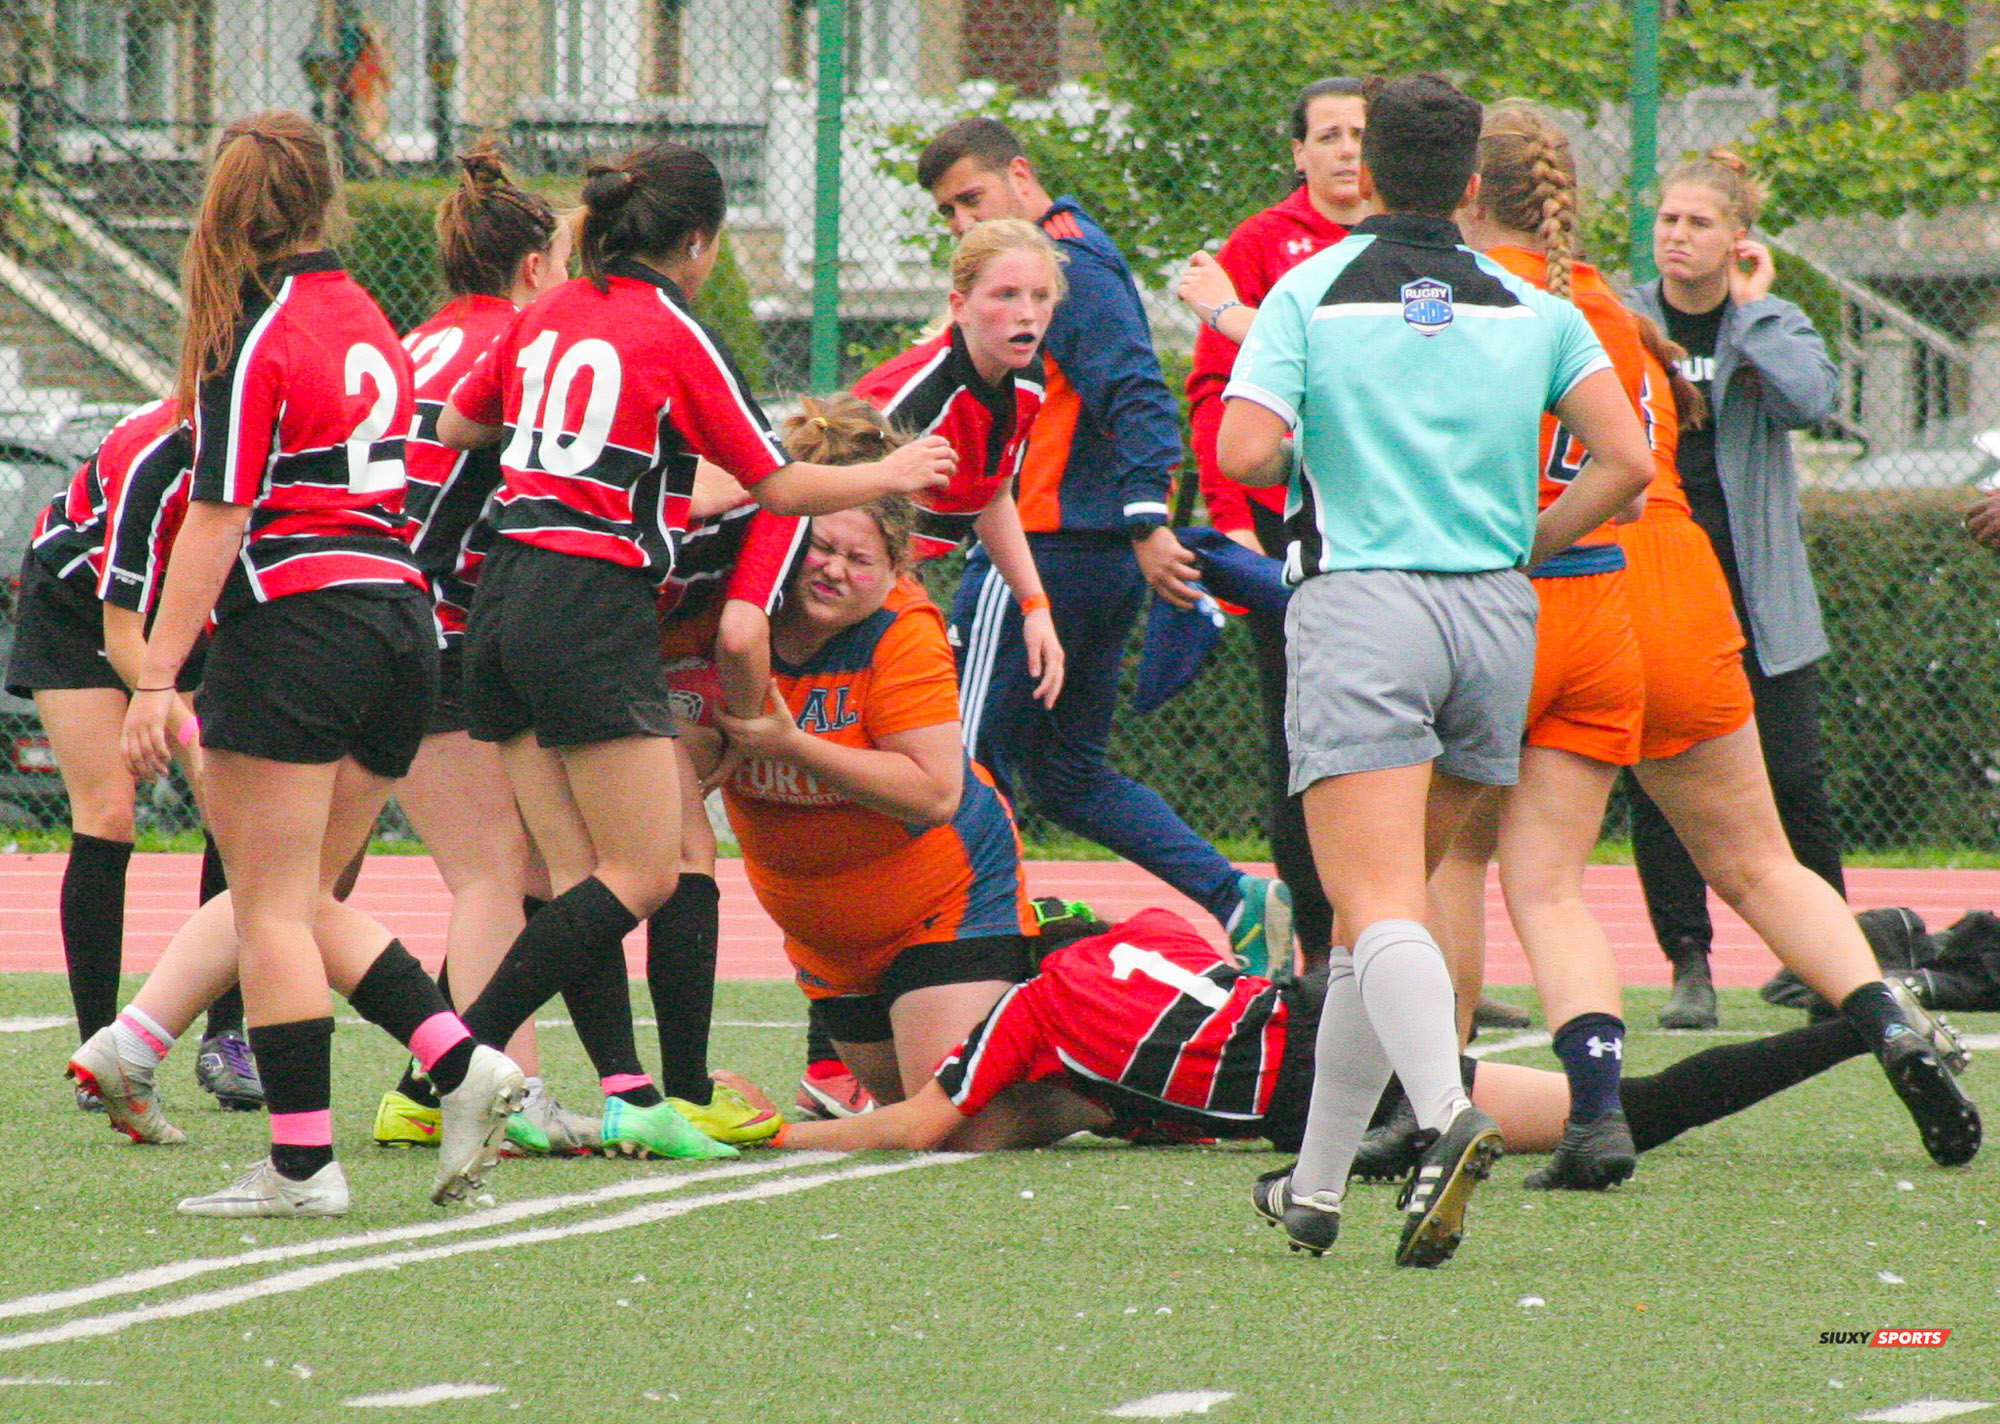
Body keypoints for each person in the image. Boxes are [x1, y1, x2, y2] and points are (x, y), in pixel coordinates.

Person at [436, 144, 953, 1160]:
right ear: (698, 243)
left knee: (577, 871)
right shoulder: (671, 327)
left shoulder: (548, 311)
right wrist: (886, 468)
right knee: (643, 873)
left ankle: (623, 1091)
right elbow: (777, 487)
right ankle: (451, 1061)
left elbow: (460, 420)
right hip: (585, 606)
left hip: (497, 596)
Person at [1214, 74, 1654, 1265]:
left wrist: (1327, 430)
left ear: (1364, 174)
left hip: (1365, 606)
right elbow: (1627, 459)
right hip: (1495, 620)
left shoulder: (1304, 290)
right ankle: (1310, 1185)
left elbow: (1242, 447)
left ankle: (1446, 1111)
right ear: (1467, 182)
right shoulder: (1532, 305)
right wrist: (1531, 536)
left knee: (1373, 900)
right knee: (1379, 917)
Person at [83, 110, 525, 1218]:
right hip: (401, 623)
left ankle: (299, 1164)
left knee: (269, 906)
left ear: (226, 203)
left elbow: (219, 515)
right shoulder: (367, 314)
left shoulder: (254, 327)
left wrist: (151, 676)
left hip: (301, 624)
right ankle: (465, 1061)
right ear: (325, 199)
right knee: (303, 901)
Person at [916, 117, 1291, 974]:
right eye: (948, 214)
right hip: (1091, 556)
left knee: (958, 763)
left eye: (971, 200)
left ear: (1020, 175)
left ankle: (970, 951)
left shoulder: (1060, 267)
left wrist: (1145, 519)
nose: (963, 225)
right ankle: (1236, 896)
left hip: (1043, 554)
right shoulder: (1064, 259)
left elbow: (1137, 390)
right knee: (1068, 776)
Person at [770, 906, 1970, 1170]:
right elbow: (1079, 1097)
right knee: (1622, 1100)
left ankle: (1394, 1147)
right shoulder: (1136, 932)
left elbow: (936, 1120)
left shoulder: (1023, 1012)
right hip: (1314, 1011)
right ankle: (1858, 1026)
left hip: (1315, 1083)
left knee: (1632, 1118)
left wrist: (779, 1133)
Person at [1428, 102, 1653, 1190]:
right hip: (1600, 609)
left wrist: (1518, 544)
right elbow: (1631, 461)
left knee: (1447, 864)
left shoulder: (1464, 300)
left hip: (1499, 607)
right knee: (1553, 888)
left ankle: (1435, 1102)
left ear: (1466, 190)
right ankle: (1597, 1110)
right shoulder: (1600, 302)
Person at [703, 400, 1038, 1103]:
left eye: (860, 559)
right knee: (899, 1103)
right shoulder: (735, 613)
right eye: (821, 549)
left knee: (946, 1113)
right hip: (827, 941)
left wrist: (793, 745)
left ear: (894, 568)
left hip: (943, 903)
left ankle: (1055, 960)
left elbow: (934, 792)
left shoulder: (902, 632)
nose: (834, 571)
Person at [369, 150, 601, 1157]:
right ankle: (502, 1093)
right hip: (435, 627)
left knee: (302, 888)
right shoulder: (526, 340)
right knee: (489, 878)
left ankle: (434, 1078)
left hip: (354, 612)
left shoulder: (405, 342)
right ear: (538, 266)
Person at [1624, 148, 1846, 1029]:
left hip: (1760, 602)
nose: (1678, 237)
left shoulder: (1775, 321)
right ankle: (1689, 966)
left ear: (1737, 241)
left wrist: (1750, 314)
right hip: (1658, 591)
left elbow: (1808, 401)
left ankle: (1828, 961)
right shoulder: (1628, 320)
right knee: (1659, 788)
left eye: (1699, 223)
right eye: (1668, 220)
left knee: (1796, 782)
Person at [5, 400, 259, 1110]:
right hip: (83, 603)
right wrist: (185, 734)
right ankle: (102, 1050)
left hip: (185, 608)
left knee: (233, 808)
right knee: (109, 813)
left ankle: (226, 1036)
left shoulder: (277, 450)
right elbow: (126, 638)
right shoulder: (164, 454)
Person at [1176, 75, 1367, 978]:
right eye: (1326, 134)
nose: (1344, 150)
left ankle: (1410, 942)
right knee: (1303, 735)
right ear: (1297, 151)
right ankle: (1320, 945)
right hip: (1287, 537)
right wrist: (1233, 526)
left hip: (1383, 530)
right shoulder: (1261, 243)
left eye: (1359, 133)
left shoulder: (1402, 240)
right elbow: (1217, 391)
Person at [855, 217, 1066, 711]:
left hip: (890, 584)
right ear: (960, 307)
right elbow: (827, 518)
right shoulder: (914, 398)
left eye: (1041, 296)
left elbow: (992, 495)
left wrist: (1035, 606)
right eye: (1006, 295)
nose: (1028, 314)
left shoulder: (1028, 380)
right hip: (841, 589)